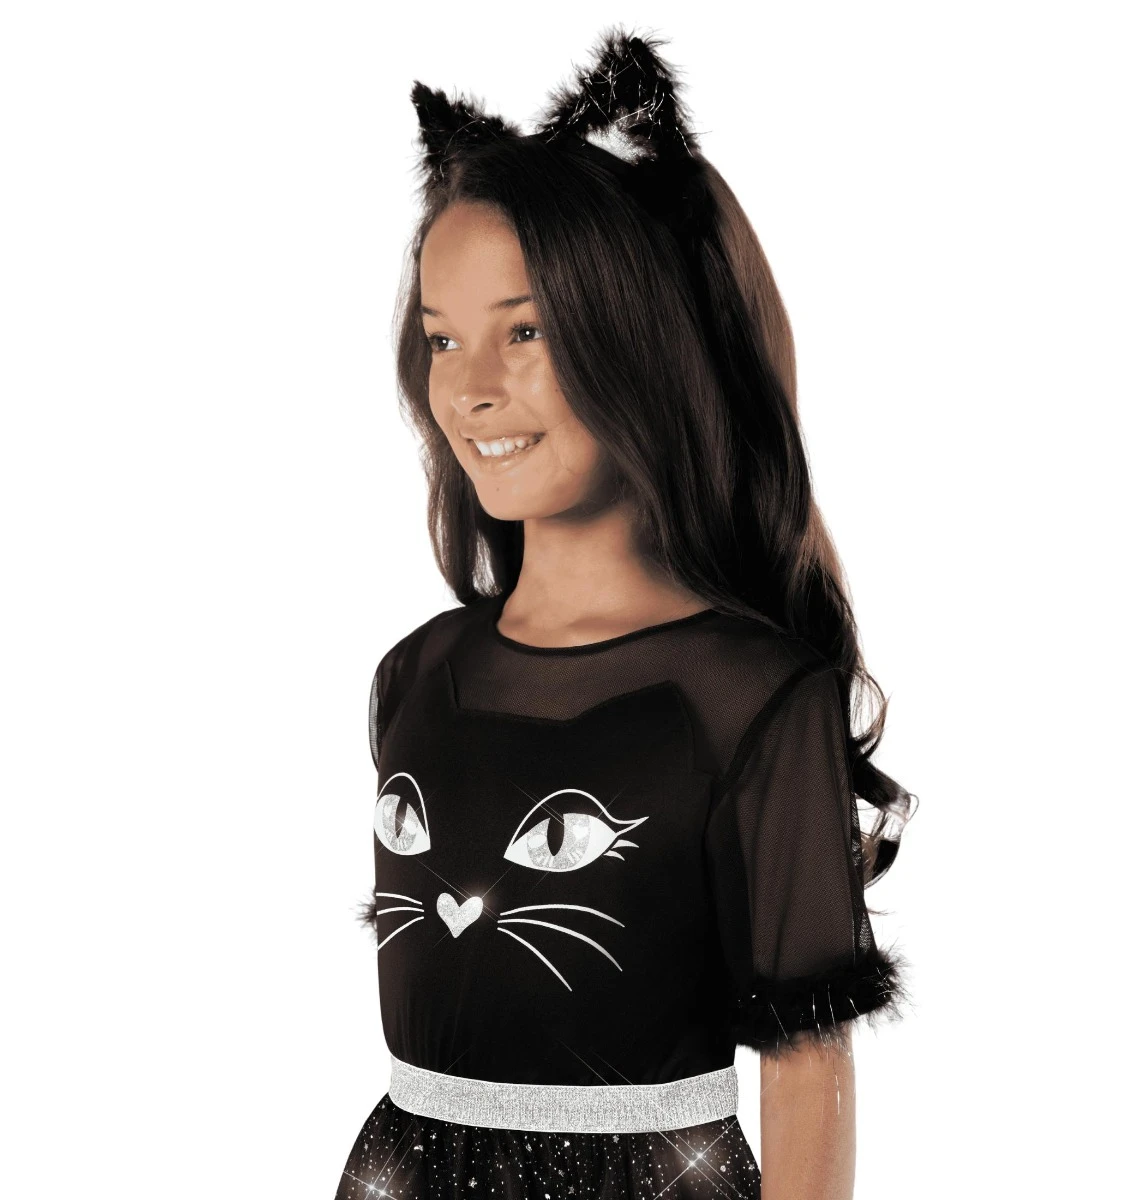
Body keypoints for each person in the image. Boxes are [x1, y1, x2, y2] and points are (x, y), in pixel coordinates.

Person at [335, 26, 917, 1200]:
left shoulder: (752, 699)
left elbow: (808, 1063)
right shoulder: (416, 677)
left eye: (526, 330)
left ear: (641, 341)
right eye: (443, 337)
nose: (470, 387)